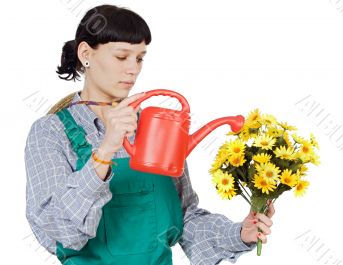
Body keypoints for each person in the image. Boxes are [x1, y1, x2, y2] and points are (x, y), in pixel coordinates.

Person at [24, 4, 275, 265]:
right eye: (121, 57)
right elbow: (58, 233)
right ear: (86, 53)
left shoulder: (155, 129)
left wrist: (239, 234)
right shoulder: (51, 132)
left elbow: (184, 218)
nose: (133, 69)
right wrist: (105, 150)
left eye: (140, 58)